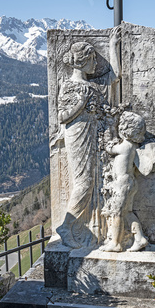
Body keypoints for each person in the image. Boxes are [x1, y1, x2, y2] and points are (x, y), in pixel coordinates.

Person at [56, 28, 121, 248]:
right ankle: (66, 226)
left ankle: (77, 227)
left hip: (92, 135)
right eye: (93, 60)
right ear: (82, 61)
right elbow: (62, 117)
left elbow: (114, 77)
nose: (95, 65)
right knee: (83, 183)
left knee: (90, 182)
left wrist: (112, 46)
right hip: (77, 135)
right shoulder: (69, 86)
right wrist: (80, 104)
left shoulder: (91, 86)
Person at [99, 111, 149, 252]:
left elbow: (111, 149)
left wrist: (109, 144)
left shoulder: (125, 146)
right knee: (127, 212)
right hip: (131, 183)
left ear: (126, 130)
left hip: (122, 184)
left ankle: (116, 243)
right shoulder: (134, 146)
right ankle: (139, 238)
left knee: (116, 213)